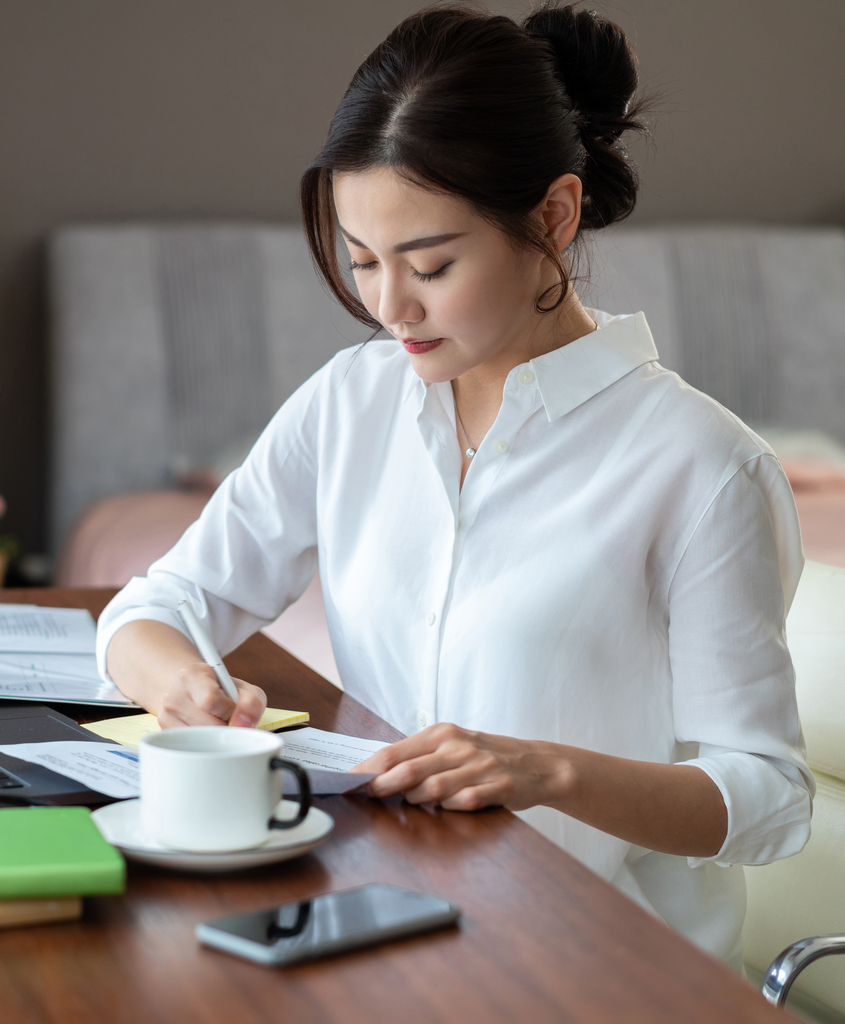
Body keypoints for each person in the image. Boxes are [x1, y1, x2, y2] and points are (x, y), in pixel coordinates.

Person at [97, 3, 813, 967]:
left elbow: (766, 797)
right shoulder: (351, 402)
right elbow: (158, 604)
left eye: (430, 265)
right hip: (379, 923)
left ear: (553, 217)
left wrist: (547, 771)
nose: (389, 308)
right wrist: (178, 679)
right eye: (362, 263)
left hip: (595, 967)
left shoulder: (699, 465)